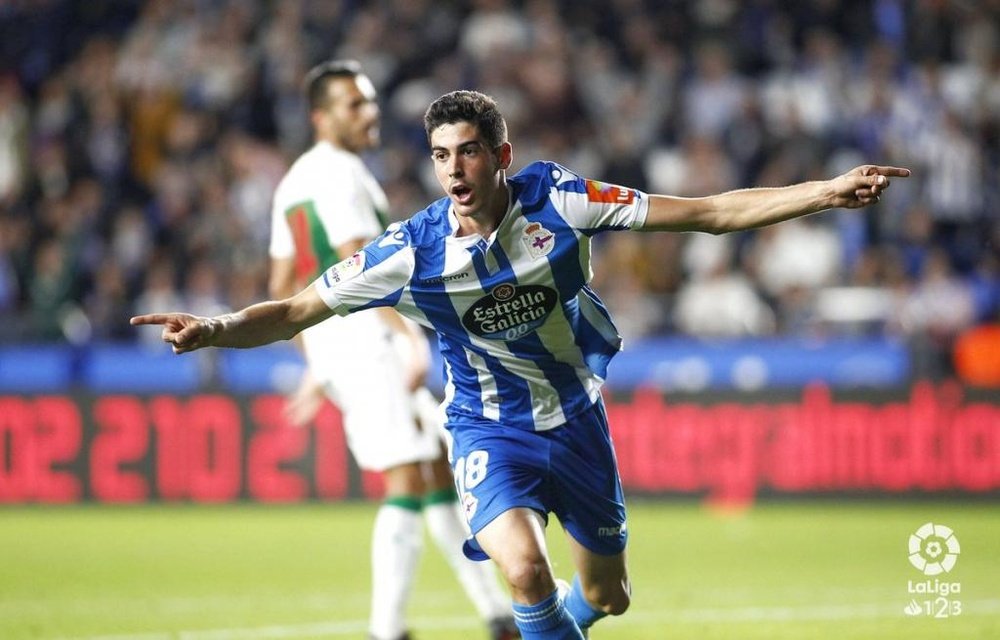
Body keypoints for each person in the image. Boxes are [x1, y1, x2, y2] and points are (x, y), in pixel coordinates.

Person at [132, 89, 910, 639]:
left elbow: (707, 214)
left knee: (609, 595)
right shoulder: (412, 252)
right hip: (486, 428)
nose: (454, 170)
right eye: (440, 156)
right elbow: (297, 309)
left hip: (577, 419)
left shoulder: (560, 201)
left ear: (500, 155)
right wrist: (216, 327)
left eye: (468, 151)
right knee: (525, 574)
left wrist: (826, 193)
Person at [266, 63, 518, 640]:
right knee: (408, 477)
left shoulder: (294, 181)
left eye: (370, 101)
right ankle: (388, 630)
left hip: (338, 346)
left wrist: (314, 361)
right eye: (354, 105)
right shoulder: (341, 174)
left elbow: (282, 282)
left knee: (431, 470)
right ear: (321, 117)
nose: (369, 113)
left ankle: (497, 615)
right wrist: (406, 339)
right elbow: (365, 265)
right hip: (367, 339)